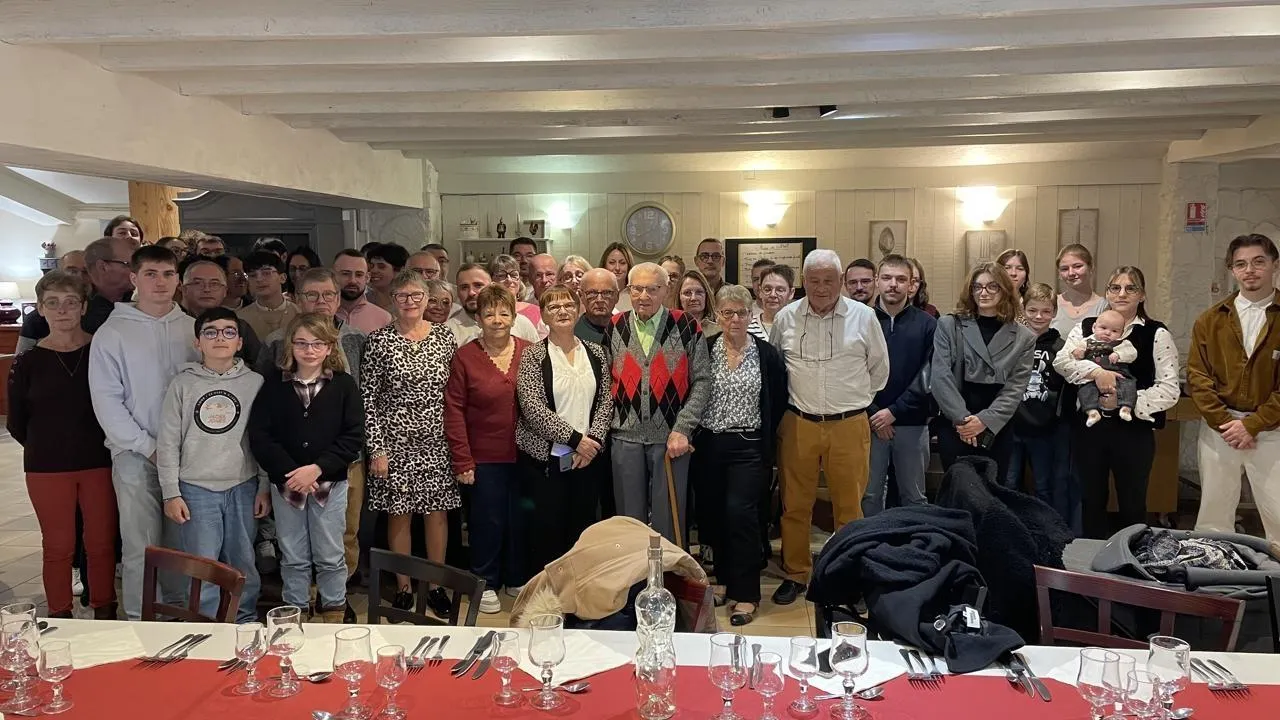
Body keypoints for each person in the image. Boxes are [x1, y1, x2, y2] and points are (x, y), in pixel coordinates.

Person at [770, 249, 889, 605]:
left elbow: (879, 371)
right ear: (803, 282)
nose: (821, 288)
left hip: (849, 424)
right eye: (814, 280)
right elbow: (775, 368)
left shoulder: (864, 317)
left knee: (850, 508)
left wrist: (850, 399)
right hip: (798, 423)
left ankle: (846, 577)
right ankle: (796, 572)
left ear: (840, 281)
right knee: (794, 505)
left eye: (829, 280)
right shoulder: (786, 318)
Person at [88, 244, 198, 620]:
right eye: (151, 274)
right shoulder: (112, 333)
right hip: (135, 455)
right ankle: (141, 622)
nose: (160, 282)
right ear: (134, 278)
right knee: (142, 546)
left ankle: (180, 619)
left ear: (178, 279)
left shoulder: (191, 329)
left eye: (168, 274)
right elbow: (107, 401)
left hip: (186, 456)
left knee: (181, 547)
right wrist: (149, 448)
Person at [7, 271, 118, 620]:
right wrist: (50, 444)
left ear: (83, 307)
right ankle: (60, 614)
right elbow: (16, 421)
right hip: (47, 466)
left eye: (70, 302)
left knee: (101, 542)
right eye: (52, 303)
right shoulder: (27, 361)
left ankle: (105, 609)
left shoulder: (101, 351)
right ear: (40, 309)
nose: (62, 310)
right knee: (58, 545)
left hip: (99, 460)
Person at [259, 268, 369, 594]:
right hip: (290, 468)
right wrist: (289, 470)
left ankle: (335, 599)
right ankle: (301, 601)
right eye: (312, 295)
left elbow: (361, 405)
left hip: (344, 460)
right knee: (294, 545)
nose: (321, 301)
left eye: (328, 294)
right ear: (297, 297)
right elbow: (265, 415)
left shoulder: (357, 339)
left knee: (343, 533)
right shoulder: (277, 341)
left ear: (338, 298)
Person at [157, 307, 268, 623]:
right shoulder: (182, 384)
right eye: (211, 331)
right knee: (203, 563)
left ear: (240, 342)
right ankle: (206, 623)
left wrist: (263, 485)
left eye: (229, 332)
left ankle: (244, 619)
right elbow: (168, 441)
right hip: (196, 488)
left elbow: (262, 439)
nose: (220, 338)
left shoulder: (255, 383)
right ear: (198, 342)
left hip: (242, 485)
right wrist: (171, 492)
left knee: (243, 559)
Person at [1054, 266, 1180, 539]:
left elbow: (1170, 388)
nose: (1122, 294)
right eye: (1115, 288)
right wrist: (1096, 373)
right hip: (1089, 430)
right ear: (1107, 293)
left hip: (1133, 431)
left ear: (1142, 295)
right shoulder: (1087, 327)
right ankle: (1092, 562)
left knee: (1133, 504)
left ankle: (1132, 560)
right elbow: (1062, 362)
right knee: (1091, 501)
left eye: (1130, 288)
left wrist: (1125, 401)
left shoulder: (1155, 333)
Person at [362, 271, 459, 617]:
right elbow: (368, 399)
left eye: (416, 295)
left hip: (437, 441)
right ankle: (404, 586)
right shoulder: (378, 341)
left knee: (437, 515)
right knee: (399, 515)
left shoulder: (444, 338)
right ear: (392, 300)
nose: (410, 302)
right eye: (402, 296)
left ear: (427, 298)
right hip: (394, 444)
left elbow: (455, 393)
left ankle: (435, 586)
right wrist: (377, 449)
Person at [693, 285, 787, 626]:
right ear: (718, 315)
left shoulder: (766, 354)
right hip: (709, 444)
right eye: (727, 312)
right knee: (714, 514)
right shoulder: (704, 348)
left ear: (751, 315)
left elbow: (778, 399)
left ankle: (746, 593)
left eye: (742, 312)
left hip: (749, 446)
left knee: (741, 514)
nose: (735, 319)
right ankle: (722, 582)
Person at [604, 262, 710, 545]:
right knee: (629, 522)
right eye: (637, 289)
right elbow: (605, 382)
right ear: (628, 290)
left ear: (666, 290)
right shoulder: (615, 326)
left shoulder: (687, 325)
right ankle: (635, 573)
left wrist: (683, 428)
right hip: (625, 437)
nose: (644, 296)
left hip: (672, 440)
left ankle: (670, 571)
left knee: (669, 520)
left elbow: (702, 380)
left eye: (652, 289)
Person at [444, 285, 530, 614]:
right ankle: (486, 581)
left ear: (514, 317)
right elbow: (453, 410)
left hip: (526, 454)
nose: (497, 320)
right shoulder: (465, 356)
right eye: (489, 313)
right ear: (478, 318)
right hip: (482, 457)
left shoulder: (530, 351)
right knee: (487, 520)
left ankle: (516, 576)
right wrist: (462, 459)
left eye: (504, 313)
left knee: (520, 518)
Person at [516, 284, 614, 572]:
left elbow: (606, 401)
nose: (562, 311)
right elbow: (532, 407)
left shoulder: (596, 352)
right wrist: (575, 440)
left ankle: (580, 590)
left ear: (578, 309)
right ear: (543, 316)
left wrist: (592, 442)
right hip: (546, 461)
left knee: (582, 529)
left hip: (588, 459)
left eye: (568, 305)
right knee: (547, 532)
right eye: (554, 307)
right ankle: (549, 591)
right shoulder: (533, 355)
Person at [1189, 233, 1280, 542]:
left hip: (1272, 430)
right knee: (1213, 522)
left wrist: (1252, 425)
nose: (1249, 270)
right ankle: (1215, 572)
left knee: (1278, 515)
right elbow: (1198, 377)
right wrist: (1226, 423)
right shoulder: (1209, 320)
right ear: (1232, 270)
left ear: (1274, 265)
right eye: (1241, 264)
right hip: (1221, 430)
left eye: (1258, 262)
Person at [931, 263, 1036, 481]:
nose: (983, 292)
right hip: (956, 421)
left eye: (992, 286)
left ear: (1004, 290)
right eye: (977, 287)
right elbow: (940, 377)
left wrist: (984, 421)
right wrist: (964, 422)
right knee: (958, 489)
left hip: (996, 426)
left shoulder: (1024, 337)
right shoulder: (949, 325)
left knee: (992, 490)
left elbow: (1015, 388)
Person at [861, 255, 937, 517]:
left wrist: (894, 412)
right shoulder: (861, 320)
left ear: (911, 284)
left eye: (901, 279)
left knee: (914, 497)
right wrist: (875, 413)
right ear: (877, 281)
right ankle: (870, 542)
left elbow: (930, 374)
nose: (893, 284)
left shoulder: (928, 324)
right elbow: (851, 373)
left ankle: (915, 542)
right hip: (869, 423)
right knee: (869, 494)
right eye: (887, 278)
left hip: (912, 423)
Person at [1007, 283, 1076, 530]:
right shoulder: (1011, 342)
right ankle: (1011, 531)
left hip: (1045, 429)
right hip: (1012, 425)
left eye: (1046, 311)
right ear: (1023, 309)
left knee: (1044, 486)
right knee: (1009, 482)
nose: (1039, 316)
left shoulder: (1061, 347)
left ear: (1054, 312)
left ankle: (1047, 531)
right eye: (1033, 310)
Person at [16, 235, 136, 354]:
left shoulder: (122, 306)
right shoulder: (38, 319)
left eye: (85, 271)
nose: (78, 277)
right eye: (71, 271)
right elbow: (22, 359)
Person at [178, 257, 263, 366]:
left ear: (225, 291)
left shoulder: (240, 327)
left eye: (214, 284)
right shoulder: (173, 324)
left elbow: (258, 367)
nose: (207, 289)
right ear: (184, 289)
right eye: (198, 283)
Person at [1072, 310, 1139, 427]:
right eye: (1103, 328)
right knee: (1085, 389)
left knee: (1129, 385)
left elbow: (1132, 354)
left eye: (1114, 331)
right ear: (1094, 327)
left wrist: (1119, 354)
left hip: (1118, 373)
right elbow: (1077, 352)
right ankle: (1092, 412)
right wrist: (1079, 352)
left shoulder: (1122, 343)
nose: (1108, 333)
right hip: (1093, 376)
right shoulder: (1087, 341)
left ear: (1122, 333)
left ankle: (1126, 407)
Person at [447, 264, 540, 346]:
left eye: (478, 285)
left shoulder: (521, 323)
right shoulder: (448, 331)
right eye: (464, 287)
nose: (471, 292)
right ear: (457, 292)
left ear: (492, 286)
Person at [238, 251, 299, 341]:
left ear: (282, 278)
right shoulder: (240, 319)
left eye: (266, 273)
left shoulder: (299, 314)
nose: (259, 279)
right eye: (252, 275)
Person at [1052, 244, 1109, 336]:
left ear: (1091, 267)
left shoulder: (1104, 307)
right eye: (1064, 269)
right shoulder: (1051, 303)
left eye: (1077, 266)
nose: (1071, 273)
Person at [332, 248, 393, 334]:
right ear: (333, 276)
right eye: (345, 274)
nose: (352, 280)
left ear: (367, 278)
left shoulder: (384, 319)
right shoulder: (321, 314)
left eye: (359, 275)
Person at [488, 254, 544, 335]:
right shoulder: (486, 312)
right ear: (491, 280)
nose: (509, 280)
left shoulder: (536, 311)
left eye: (513, 275)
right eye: (501, 275)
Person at [746, 264, 794, 342]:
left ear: (791, 293)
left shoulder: (800, 325)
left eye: (780, 290)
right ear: (760, 291)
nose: (773, 295)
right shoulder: (746, 326)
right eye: (767, 289)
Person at [574, 268, 619, 345]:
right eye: (592, 293)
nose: (599, 300)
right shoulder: (572, 335)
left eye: (606, 293)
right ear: (581, 296)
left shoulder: (626, 330)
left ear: (617, 296)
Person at [366, 242, 411, 312]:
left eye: (381, 267)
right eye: (371, 266)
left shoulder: (408, 302)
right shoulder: (363, 300)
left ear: (399, 271)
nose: (373, 270)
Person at [678, 270, 720, 338]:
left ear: (706, 295)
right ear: (679, 296)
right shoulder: (669, 330)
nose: (693, 298)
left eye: (699, 292)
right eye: (687, 292)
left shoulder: (719, 331)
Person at [600, 242, 634, 313]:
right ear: (604, 265)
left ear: (629, 266)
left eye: (622, 263)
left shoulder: (635, 295)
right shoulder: (597, 294)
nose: (617, 268)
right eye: (612, 263)